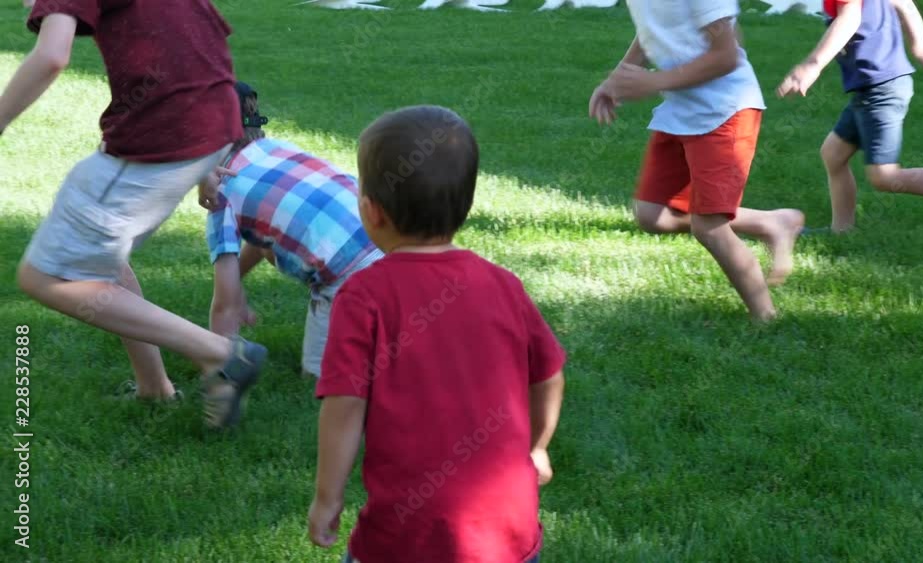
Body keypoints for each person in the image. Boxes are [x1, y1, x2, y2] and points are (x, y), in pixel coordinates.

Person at [307, 106, 566, 563]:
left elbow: (344, 405)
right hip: (510, 534)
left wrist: (327, 497)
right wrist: (538, 448)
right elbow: (548, 374)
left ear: (372, 211)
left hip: (407, 536)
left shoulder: (363, 296)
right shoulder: (503, 285)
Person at [0, 1, 266, 428]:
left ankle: (221, 355)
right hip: (214, 123)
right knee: (101, 256)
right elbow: (200, 41)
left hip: (157, 142)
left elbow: (51, 56)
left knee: (46, 277)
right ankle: (154, 386)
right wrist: (202, 159)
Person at [590, 0, 805, 322]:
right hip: (682, 109)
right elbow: (652, 29)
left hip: (725, 111)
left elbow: (726, 56)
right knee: (653, 215)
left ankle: (766, 318)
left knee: (709, 227)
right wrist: (617, 80)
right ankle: (771, 222)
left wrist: (653, 82)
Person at [777, 0, 923, 236]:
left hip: (881, 88)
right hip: (873, 86)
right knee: (833, 154)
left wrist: (812, 64)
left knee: (884, 176)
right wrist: (921, 46)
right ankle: (842, 230)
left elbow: (850, 17)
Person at [206, 83, 382, 378]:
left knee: (321, 379)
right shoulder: (278, 149)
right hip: (390, 241)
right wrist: (238, 282)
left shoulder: (220, 193)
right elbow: (266, 232)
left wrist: (218, 363)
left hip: (345, 276)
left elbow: (224, 306)